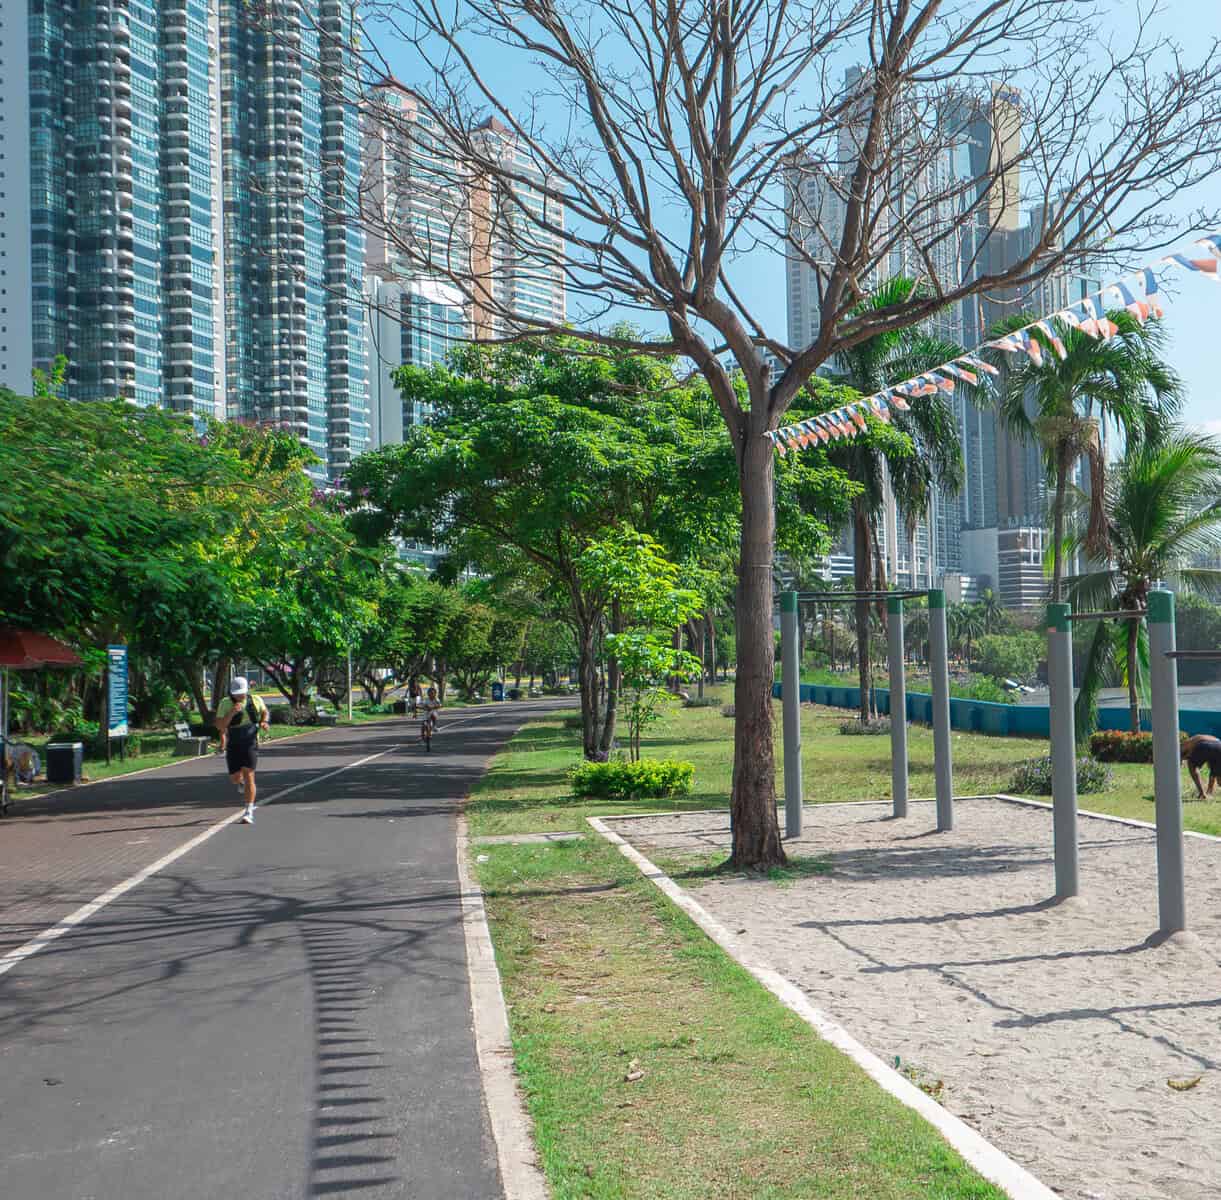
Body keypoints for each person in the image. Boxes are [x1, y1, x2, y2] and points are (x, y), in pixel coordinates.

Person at [215, 676, 270, 824]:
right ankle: (240, 783)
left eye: (242, 693)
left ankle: (249, 811)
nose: (239, 696)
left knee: (249, 774)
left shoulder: (256, 700)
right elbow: (220, 726)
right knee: (235, 778)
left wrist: (264, 721)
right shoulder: (225, 703)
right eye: (236, 693)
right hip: (234, 743)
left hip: (250, 742)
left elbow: (264, 712)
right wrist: (232, 712)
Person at [1181, 734, 1221, 800]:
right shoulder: (1192, 741)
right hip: (1219, 745)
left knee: (1192, 766)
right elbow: (1212, 770)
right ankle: (1209, 793)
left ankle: (1202, 794)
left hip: (1204, 744)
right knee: (1218, 777)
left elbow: (1178, 760)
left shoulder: (1181, 747)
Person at [420, 686, 441, 751]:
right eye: (430, 693)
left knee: (433, 715)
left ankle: (434, 726)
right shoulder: (426, 700)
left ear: (435, 694)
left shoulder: (436, 699)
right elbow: (422, 705)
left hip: (433, 713)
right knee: (423, 725)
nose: (431, 694)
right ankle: (423, 737)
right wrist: (421, 707)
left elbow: (439, 705)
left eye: (433, 693)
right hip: (426, 715)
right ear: (428, 694)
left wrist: (434, 707)